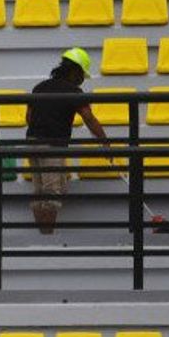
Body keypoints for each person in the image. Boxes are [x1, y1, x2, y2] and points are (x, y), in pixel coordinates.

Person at [25, 47, 110, 235]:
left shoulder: (39, 87)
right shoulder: (74, 91)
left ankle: (42, 237)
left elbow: (28, 118)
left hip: (31, 142)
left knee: (39, 191)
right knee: (52, 193)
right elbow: (89, 118)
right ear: (74, 71)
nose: (82, 80)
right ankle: (47, 239)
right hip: (52, 145)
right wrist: (105, 142)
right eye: (82, 75)